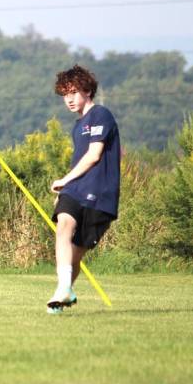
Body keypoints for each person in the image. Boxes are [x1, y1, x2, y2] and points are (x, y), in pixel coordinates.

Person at [47, 64, 121, 314]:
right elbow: (81, 160)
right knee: (63, 225)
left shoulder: (101, 115)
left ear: (88, 90)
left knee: (75, 257)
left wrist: (64, 179)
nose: (69, 99)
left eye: (74, 92)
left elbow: (93, 156)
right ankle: (62, 291)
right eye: (65, 94)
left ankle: (64, 292)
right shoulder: (77, 127)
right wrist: (66, 188)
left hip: (100, 196)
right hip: (75, 190)